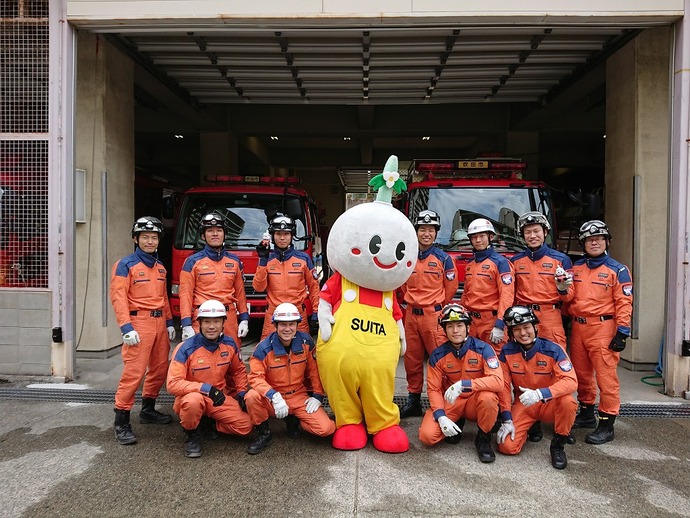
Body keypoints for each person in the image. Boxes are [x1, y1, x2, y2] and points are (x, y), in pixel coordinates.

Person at [562, 220, 633, 444]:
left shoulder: (618, 270)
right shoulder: (576, 268)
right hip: (579, 328)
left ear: (607, 242)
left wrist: (622, 332)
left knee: (606, 378)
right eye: (589, 240)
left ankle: (607, 423)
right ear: (583, 244)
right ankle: (586, 414)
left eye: (598, 239)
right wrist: (562, 289)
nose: (594, 243)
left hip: (604, 328)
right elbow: (568, 297)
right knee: (582, 375)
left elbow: (624, 302)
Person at [110, 216, 176, 445]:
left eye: (154, 237)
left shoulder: (160, 267)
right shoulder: (125, 265)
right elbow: (118, 298)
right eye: (145, 237)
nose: (150, 241)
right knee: (134, 373)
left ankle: (148, 409)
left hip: (159, 323)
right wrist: (126, 327)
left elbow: (163, 298)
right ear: (135, 239)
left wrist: (169, 323)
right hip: (138, 324)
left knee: (159, 369)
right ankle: (121, 420)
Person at [510, 211, 573, 442]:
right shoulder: (515, 262)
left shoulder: (561, 260)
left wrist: (563, 287)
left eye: (536, 231)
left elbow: (569, 298)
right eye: (528, 232)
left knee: (557, 368)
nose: (532, 235)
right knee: (524, 367)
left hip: (550, 317)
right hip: (524, 319)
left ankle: (562, 423)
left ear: (545, 233)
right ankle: (531, 418)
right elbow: (511, 293)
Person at [244, 302, 335, 454]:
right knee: (251, 396)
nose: (287, 329)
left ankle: (295, 420)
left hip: (298, 396)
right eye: (283, 325)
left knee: (327, 429)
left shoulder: (306, 342)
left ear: (297, 325)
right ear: (275, 325)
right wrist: (273, 396)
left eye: (291, 324)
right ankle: (263, 432)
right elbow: (255, 378)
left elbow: (314, 370)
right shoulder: (263, 348)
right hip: (273, 398)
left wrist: (318, 396)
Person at [166, 300, 253, 457]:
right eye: (207, 321)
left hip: (217, 398)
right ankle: (192, 434)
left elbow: (239, 370)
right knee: (193, 402)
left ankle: (210, 423)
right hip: (192, 397)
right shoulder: (185, 348)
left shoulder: (229, 344)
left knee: (246, 425)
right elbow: (172, 384)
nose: (211, 326)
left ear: (223, 323)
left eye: (216, 321)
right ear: (199, 323)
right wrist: (204, 389)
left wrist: (241, 392)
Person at [496, 306, 578, 469]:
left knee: (568, 402)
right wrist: (506, 418)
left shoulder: (554, 349)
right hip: (525, 403)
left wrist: (541, 393)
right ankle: (530, 426)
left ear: (536, 327)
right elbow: (504, 386)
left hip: (549, 402)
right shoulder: (507, 351)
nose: (523, 333)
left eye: (526, 327)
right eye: (517, 329)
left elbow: (571, 382)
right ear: (511, 333)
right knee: (506, 447)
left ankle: (558, 444)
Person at [418, 304, 502, 463]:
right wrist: (441, 416)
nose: (455, 330)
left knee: (489, 398)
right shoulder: (437, 355)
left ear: (468, 327)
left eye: (459, 325)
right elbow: (434, 389)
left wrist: (465, 385)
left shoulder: (484, 349)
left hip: (475, 401)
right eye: (450, 326)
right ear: (445, 330)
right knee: (427, 436)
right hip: (452, 402)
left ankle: (483, 438)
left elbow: (497, 381)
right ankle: (456, 421)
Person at [399, 210, 458, 419]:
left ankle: (440, 402)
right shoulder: (407, 256)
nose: (426, 233)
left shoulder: (444, 258)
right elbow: (402, 286)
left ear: (436, 233)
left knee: (439, 359)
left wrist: (437, 305)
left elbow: (451, 288)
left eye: (430, 230)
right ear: (416, 231)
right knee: (412, 359)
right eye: (422, 229)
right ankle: (414, 400)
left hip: (434, 317)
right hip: (411, 317)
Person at [179, 212, 249, 348]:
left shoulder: (234, 261)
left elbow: (240, 293)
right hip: (203, 319)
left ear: (225, 234)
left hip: (229, 318)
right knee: (201, 361)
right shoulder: (192, 262)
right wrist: (186, 324)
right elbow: (185, 295)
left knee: (232, 359)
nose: (215, 234)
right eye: (210, 231)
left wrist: (244, 319)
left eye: (219, 230)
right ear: (203, 236)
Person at [253, 214, 320, 340]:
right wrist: (262, 260)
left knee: (303, 353)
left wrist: (316, 311)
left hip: (298, 315)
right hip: (273, 317)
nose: (282, 238)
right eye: (278, 234)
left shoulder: (303, 259)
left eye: (286, 234)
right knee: (267, 354)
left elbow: (314, 287)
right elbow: (259, 287)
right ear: (272, 236)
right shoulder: (267, 259)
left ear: (292, 236)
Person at [459, 218, 515, 353]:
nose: (478, 240)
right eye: (474, 237)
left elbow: (506, 296)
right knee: (472, 362)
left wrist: (500, 324)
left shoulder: (501, 263)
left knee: (496, 363)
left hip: (491, 323)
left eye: (482, 236)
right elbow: (466, 294)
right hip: (471, 323)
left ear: (490, 237)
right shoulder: (470, 265)